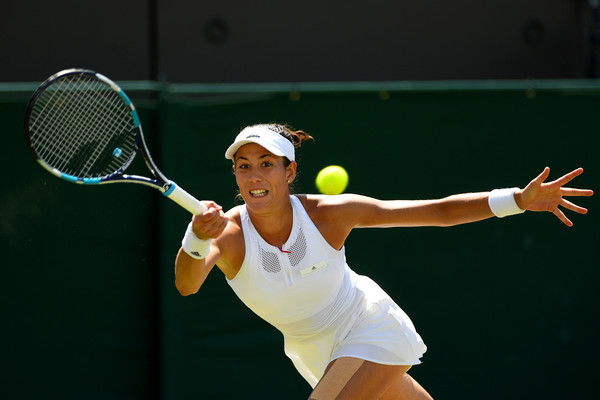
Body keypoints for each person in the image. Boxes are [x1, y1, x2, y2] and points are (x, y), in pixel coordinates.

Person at [174, 123, 593, 400]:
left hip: (367, 325)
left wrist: (518, 200)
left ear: (290, 171)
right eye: (243, 167)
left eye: (267, 164)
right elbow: (187, 284)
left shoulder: (329, 214)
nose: (254, 177)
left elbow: (438, 212)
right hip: (313, 350)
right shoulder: (226, 234)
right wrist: (195, 238)